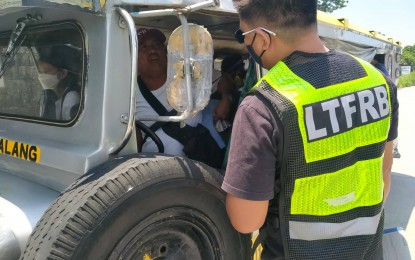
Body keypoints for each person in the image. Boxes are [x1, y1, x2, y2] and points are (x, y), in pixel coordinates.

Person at [221, 1, 399, 259]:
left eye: (243, 35)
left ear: (261, 38)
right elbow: (384, 178)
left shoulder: (263, 105)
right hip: (367, 251)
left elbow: (246, 221)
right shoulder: (379, 82)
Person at [135, 28, 226, 167]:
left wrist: (227, 98)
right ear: (134, 56)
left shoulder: (186, 72)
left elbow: (224, 80)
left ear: (165, 51)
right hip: (160, 172)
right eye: (143, 47)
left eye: (156, 45)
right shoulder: (128, 94)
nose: (152, 50)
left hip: (204, 165)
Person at [37, 45, 81, 121]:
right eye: (40, 71)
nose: (41, 76)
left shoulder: (71, 98)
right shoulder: (45, 97)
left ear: (62, 74)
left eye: (46, 71)